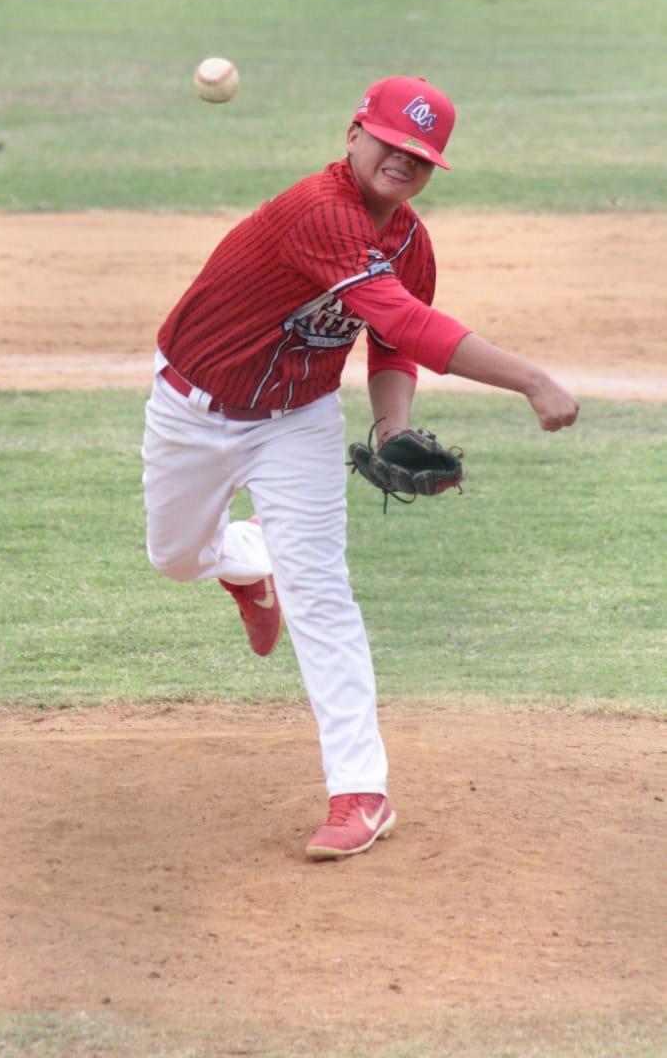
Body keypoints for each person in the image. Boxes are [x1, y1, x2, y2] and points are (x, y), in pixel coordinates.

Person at [141, 75, 579, 862]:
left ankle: (359, 792)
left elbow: (391, 345)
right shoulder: (319, 212)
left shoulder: (410, 241)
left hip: (298, 421)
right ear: (353, 135)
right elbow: (405, 318)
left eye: (419, 156)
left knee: (321, 592)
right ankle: (243, 562)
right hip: (190, 409)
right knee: (174, 559)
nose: (401, 163)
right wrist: (531, 380)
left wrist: (390, 427)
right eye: (389, 144)